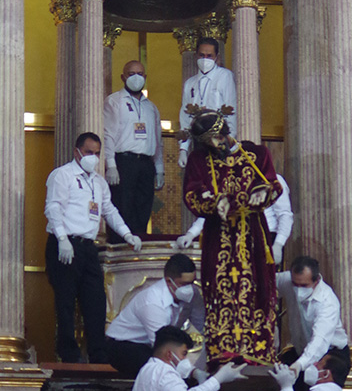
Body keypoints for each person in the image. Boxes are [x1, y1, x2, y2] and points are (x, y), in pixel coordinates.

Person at [182, 108, 282, 366]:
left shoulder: (256, 154)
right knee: (220, 290)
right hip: (219, 237)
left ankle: (258, 352)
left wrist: (261, 194)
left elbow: (273, 185)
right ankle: (222, 352)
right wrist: (216, 205)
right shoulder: (198, 160)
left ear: (225, 132)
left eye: (216, 138)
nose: (215, 146)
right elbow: (192, 195)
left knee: (257, 289)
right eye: (208, 143)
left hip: (252, 238)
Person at [43, 132, 143, 364]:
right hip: (64, 244)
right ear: (77, 152)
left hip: (89, 248)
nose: (93, 158)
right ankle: (68, 355)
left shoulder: (98, 182)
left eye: (97, 153)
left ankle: (98, 354)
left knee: (96, 301)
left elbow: (109, 210)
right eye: (89, 152)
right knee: (66, 302)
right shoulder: (62, 175)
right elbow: (53, 208)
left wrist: (127, 233)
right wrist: (62, 238)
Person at [106, 253, 205, 378]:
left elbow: (203, 324)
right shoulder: (152, 302)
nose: (189, 289)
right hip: (124, 345)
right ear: (169, 281)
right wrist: (193, 373)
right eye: (183, 284)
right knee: (160, 368)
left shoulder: (193, 294)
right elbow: (163, 347)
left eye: (191, 283)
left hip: (150, 344)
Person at [175, 171, 293, 264]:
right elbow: (213, 212)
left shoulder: (272, 180)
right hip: (233, 238)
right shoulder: (227, 181)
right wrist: (190, 234)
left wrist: (278, 244)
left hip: (264, 238)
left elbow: (285, 215)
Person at [102, 58, 164, 235]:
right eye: (131, 74)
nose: (136, 77)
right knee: (122, 208)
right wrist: (111, 165)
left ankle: (137, 252)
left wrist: (159, 169)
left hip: (146, 163)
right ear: (123, 77)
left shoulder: (151, 107)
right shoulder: (114, 101)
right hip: (124, 162)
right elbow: (108, 135)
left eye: (140, 74)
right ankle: (118, 254)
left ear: (145, 77)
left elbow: (157, 139)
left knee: (143, 210)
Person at [275, 255, 349, 391]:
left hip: (331, 353)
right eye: (295, 285)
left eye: (304, 286)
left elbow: (319, 342)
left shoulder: (328, 302)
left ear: (316, 281)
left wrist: (298, 365)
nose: (298, 290)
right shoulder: (287, 281)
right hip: (301, 350)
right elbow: (268, 279)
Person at [177, 37, 237, 170]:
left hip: (220, 140)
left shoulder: (224, 76)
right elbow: (185, 117)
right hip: (198, 141)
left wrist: (229, 141)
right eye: (202, 55)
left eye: (209, 56)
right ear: (195, 56)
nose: (205, 59)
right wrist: (183, 148)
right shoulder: (190, 83)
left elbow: (232, 110)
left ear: (217, 57)